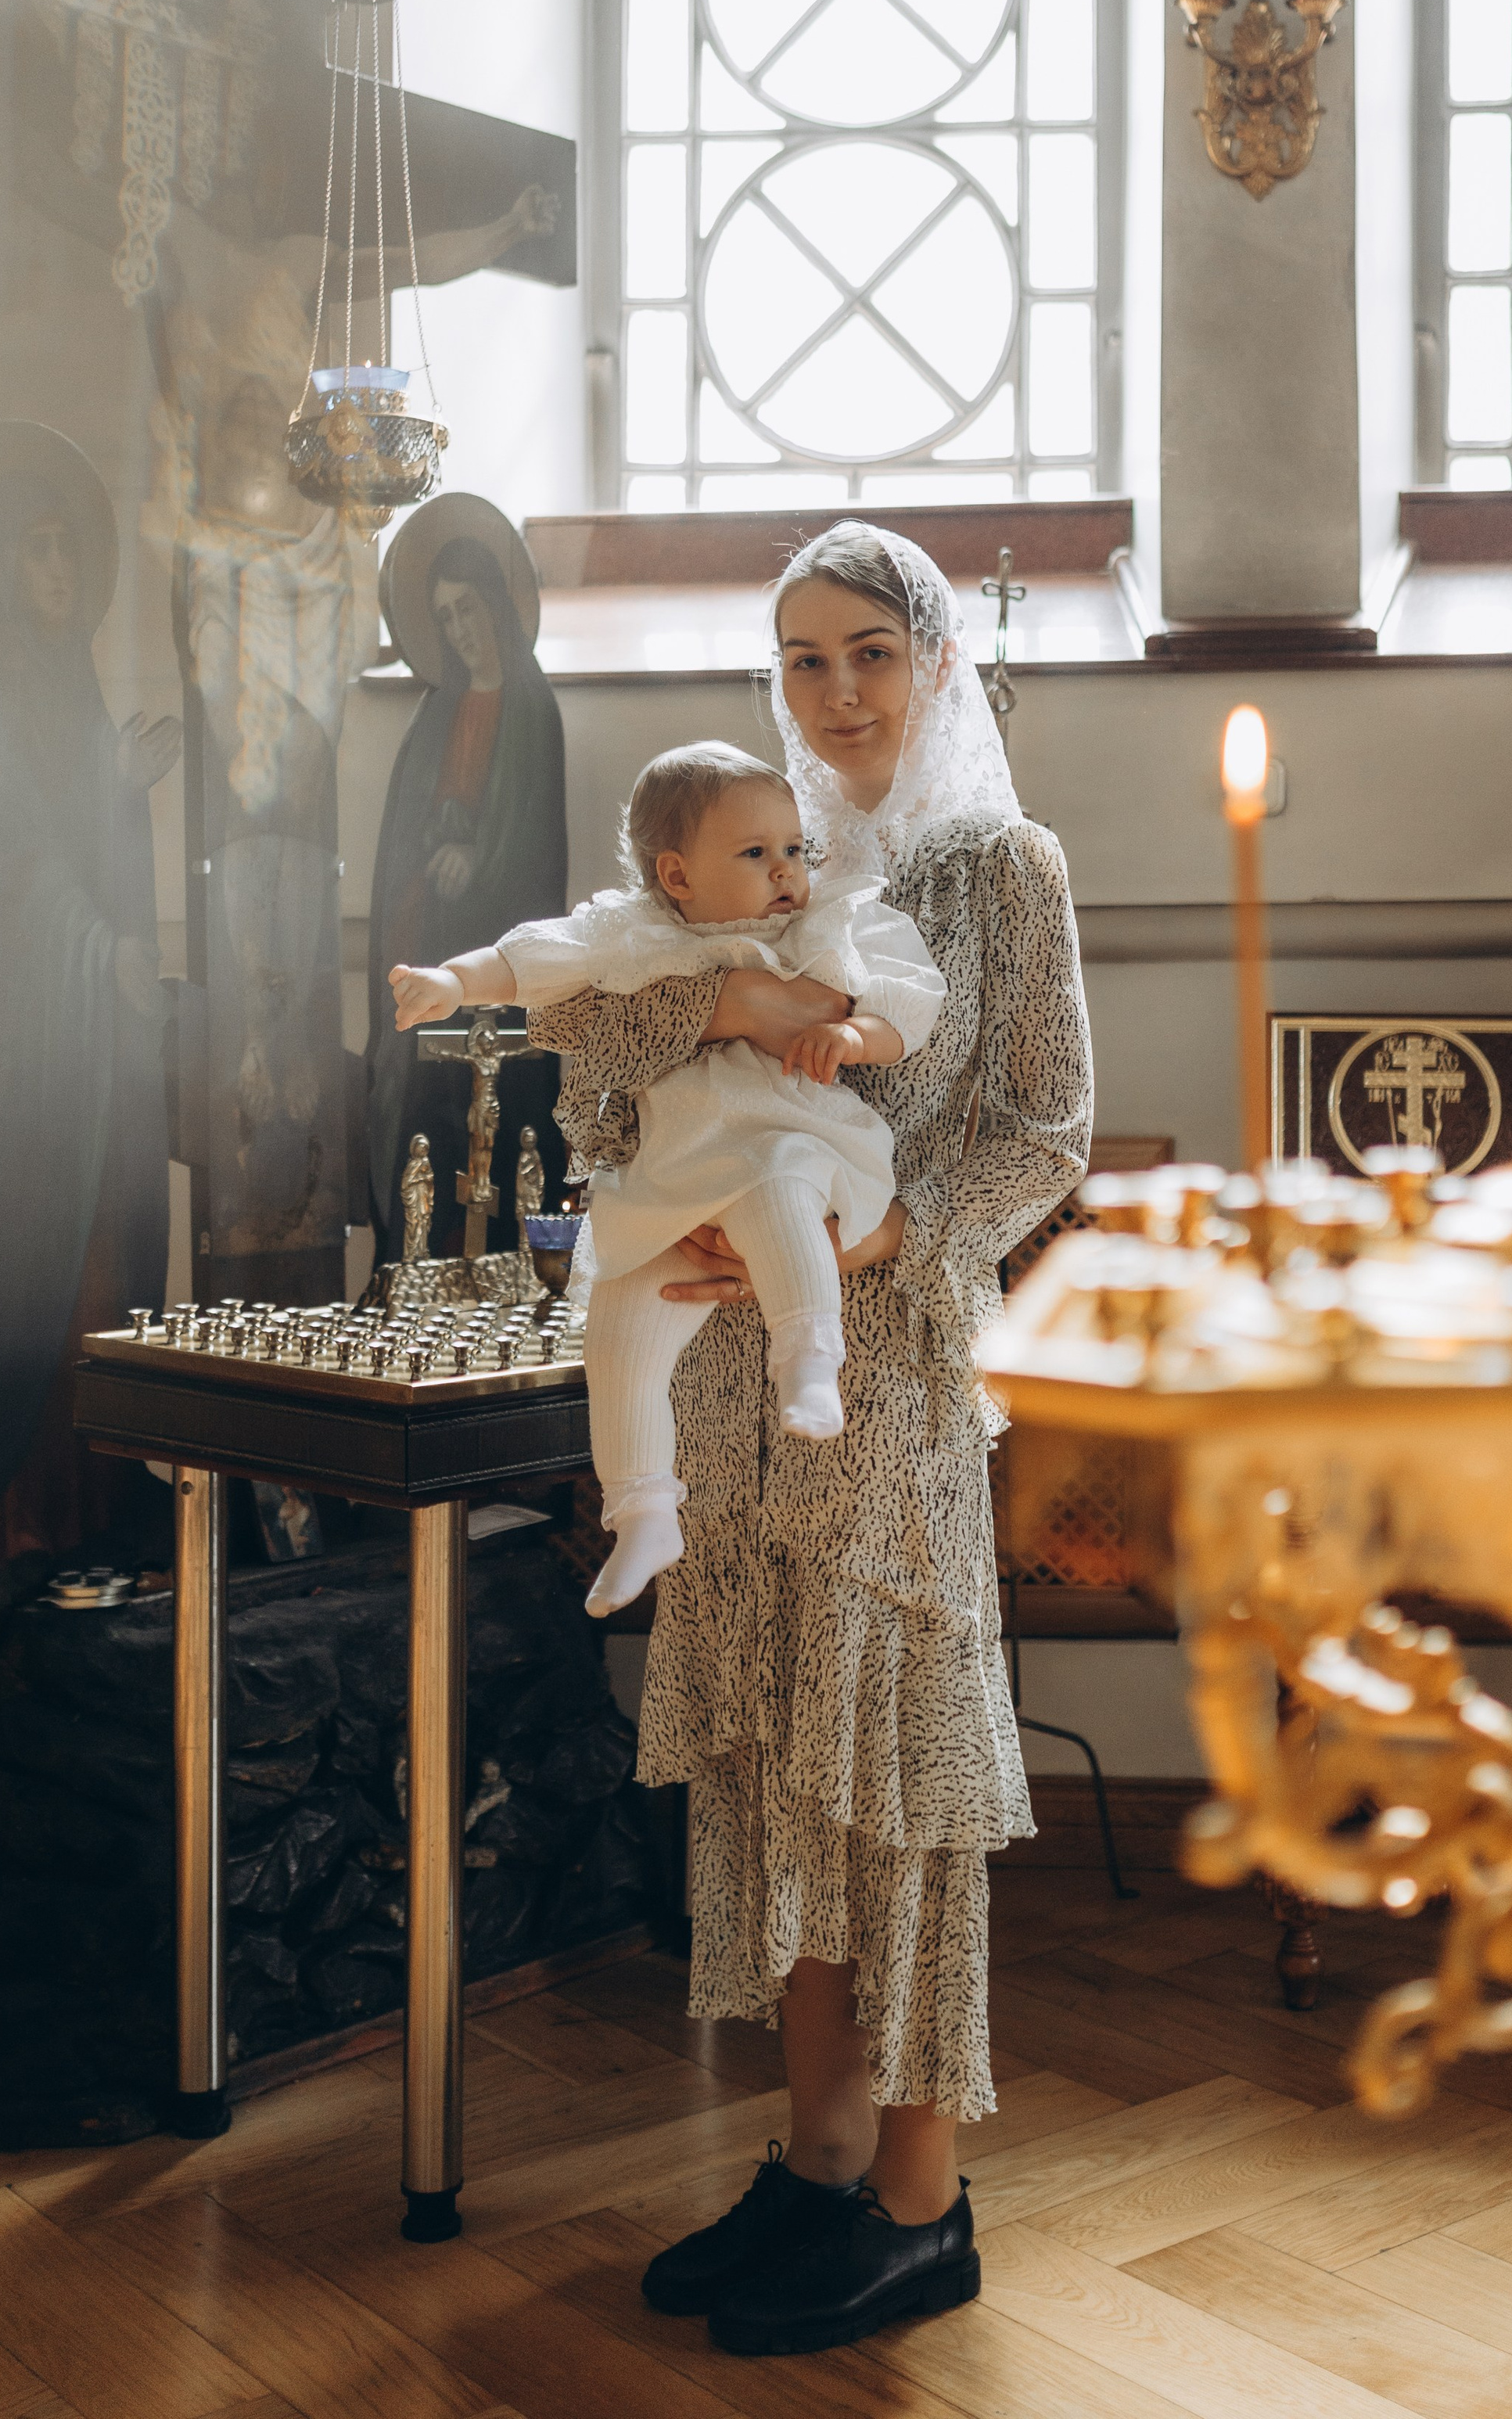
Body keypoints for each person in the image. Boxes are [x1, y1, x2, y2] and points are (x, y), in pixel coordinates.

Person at [524, 522, 1090, 2359]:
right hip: (715, 1375)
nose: (834, 692)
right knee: (776, 1773)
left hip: (889, 1383)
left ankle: (919, 2203)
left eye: (865, 651)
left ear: (928, 660)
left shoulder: (996, 870)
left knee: (897, 1785)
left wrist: (889, 1230)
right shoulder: (732, 855)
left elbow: (1040, 1128)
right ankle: (816, 2151)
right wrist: (679, 1094)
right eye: (799, 660)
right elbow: (590, 1057)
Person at [390, 742, 944, 1613]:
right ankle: (644, 1509)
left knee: (777, 1190)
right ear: (677, 876)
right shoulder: (632, 936)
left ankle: (807, 1354)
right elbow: (531, 958)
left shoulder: (815, 929)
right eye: (755, 854)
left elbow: (905, 999)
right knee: (616, 1327)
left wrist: (850, 1038)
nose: (787, 871)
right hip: (670, 1173)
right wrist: (448, 982)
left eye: (794, 848)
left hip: (788, 1130)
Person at [0, 434, 179, 1641]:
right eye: (39, 545)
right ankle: (0, 1544)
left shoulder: (68, 682)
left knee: (98, 1281)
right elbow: (3, 869)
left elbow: (78, 841)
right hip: (12, 1075)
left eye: (72, 543)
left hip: (84, 1067)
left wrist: (123, 798)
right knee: (22, 1294)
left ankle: (87, 1536)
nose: (62, 566)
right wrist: (96, 949)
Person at [364, 527, 567, 1256]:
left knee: (497, 1128)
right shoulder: (436, 711)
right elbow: (403, 836)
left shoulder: (532, 709)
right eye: (446, 616)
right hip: (427, 942)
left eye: (470, 609)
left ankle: (515, 1272)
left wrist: (477, 857)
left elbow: (533, 849)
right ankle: (418, 1267)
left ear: (498, 608)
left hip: (496, 958)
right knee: (426, 1127)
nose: (460, 629)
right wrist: (437, 856)